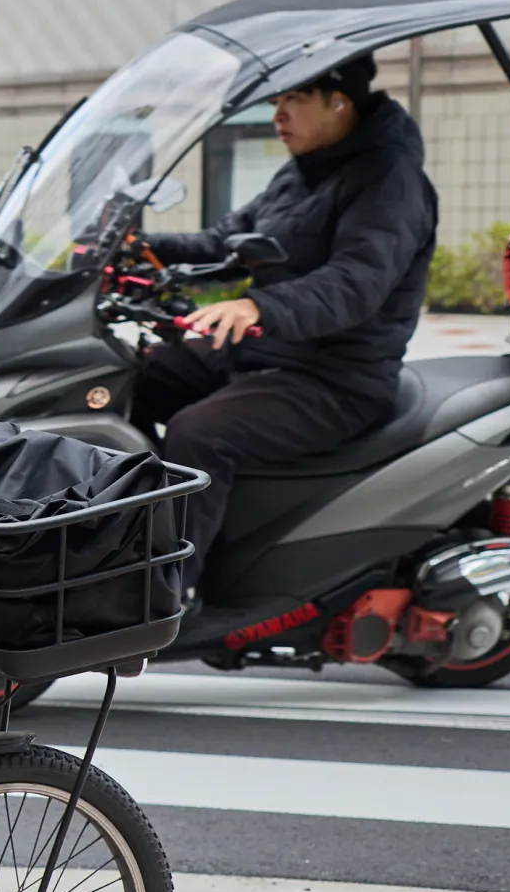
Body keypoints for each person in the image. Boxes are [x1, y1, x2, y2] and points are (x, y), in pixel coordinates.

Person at [133, 53, 437, 595]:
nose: (279, 115)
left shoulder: (391, 180)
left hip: (335, 378)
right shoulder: (303, 171)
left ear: (340, 100)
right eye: (276, 101)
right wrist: (140, 248)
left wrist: (258, 308)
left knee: (198, 434)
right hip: (267, 352)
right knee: (133, 378)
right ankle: (114, 541)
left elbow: (355, 282)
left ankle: (164, 597)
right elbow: (226, 239)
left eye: (294, 99)